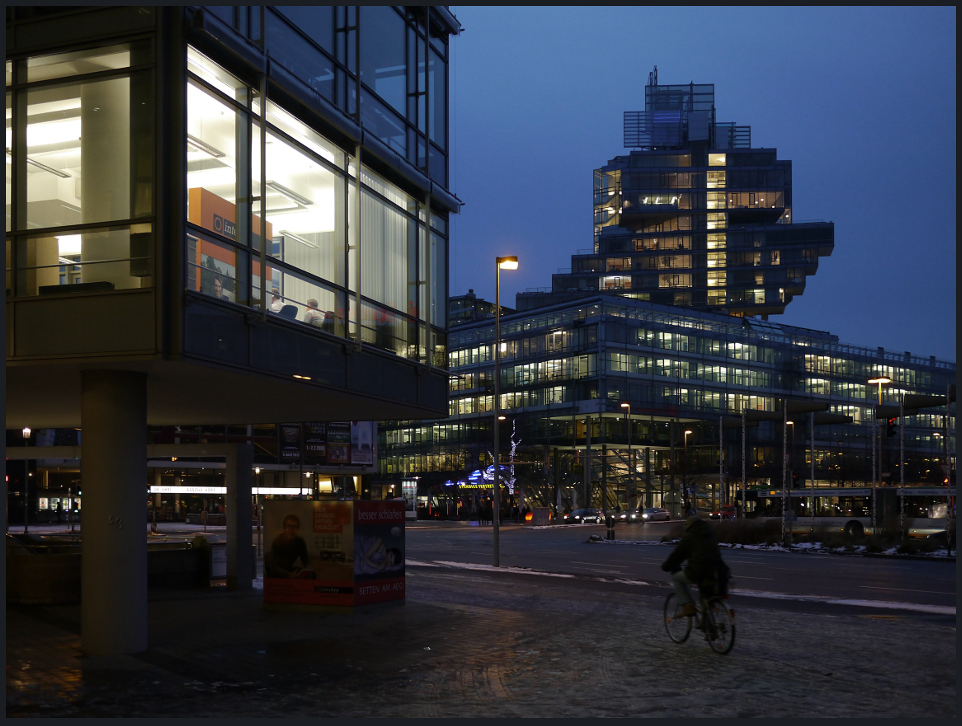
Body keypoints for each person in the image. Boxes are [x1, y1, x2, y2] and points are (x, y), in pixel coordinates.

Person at [661, 515, 730, 617]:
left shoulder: (690, 536)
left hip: (699, 572)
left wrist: (666, 566)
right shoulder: (710, 534)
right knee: (706, 597)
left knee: (676, 578)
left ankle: (688, 605)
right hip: (718, 570)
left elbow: (677, 555)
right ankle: (711, 626)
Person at [266, 514, 312, 578]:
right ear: (284, 528)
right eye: (289, 526)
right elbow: (273, 566)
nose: (291, 529)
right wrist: (288, 574)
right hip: (276, 571)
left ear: (298, 528)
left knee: (311, 575)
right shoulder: (277, 541)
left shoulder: (300, 542)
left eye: (294, 526)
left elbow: (306, 561)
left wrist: (307, 570)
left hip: (288, 568)